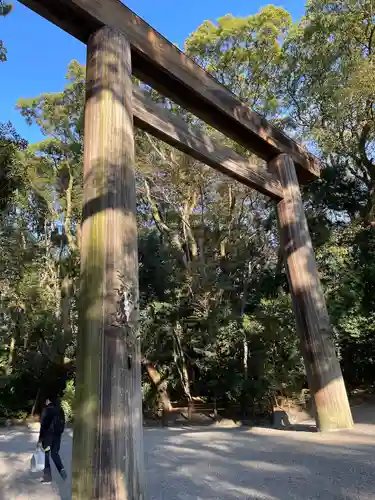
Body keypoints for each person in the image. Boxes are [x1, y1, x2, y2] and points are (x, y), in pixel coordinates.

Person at [38, 395, 67, 484]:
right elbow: (63, 424)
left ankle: (47, 478)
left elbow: (43, 425)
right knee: (54, 454)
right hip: (57, 436)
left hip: (48, 437)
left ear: (49, 400)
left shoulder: (47, 409)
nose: (45, 401)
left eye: (46, 399)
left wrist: (40, 439)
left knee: (45, 455)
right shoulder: (60, 410)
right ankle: (63, 473)